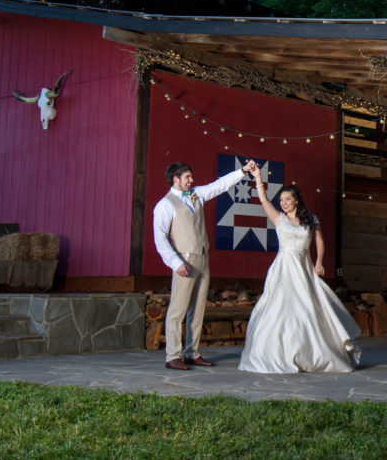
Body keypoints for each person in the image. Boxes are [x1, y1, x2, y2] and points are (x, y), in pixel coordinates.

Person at [238, 167, 360, 373]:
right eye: (281, 200)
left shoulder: (311, 219)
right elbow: (264, 200)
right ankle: (276, 353)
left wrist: (319, 262)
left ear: (296, 200)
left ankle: (310, 352)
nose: (283, 203)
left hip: (303, 267)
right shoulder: (279, 218)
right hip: (284, 267)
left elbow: (320, 242)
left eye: (287, 199)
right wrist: (258, 178)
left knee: (307, 307)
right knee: (281, 307)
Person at [154, 159, 256, 370]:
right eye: (187, 177)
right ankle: (173, 355)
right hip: (184, 259)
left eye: (191, 176)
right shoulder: (165, 205)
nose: (192, 180)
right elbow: (160, 239)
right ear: (176, 179)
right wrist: (176, 263)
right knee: (177, 310)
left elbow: (219, 186)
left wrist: (243, 171)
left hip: (202, 257)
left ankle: (192, 352)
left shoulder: (196, 195)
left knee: (197, 308)